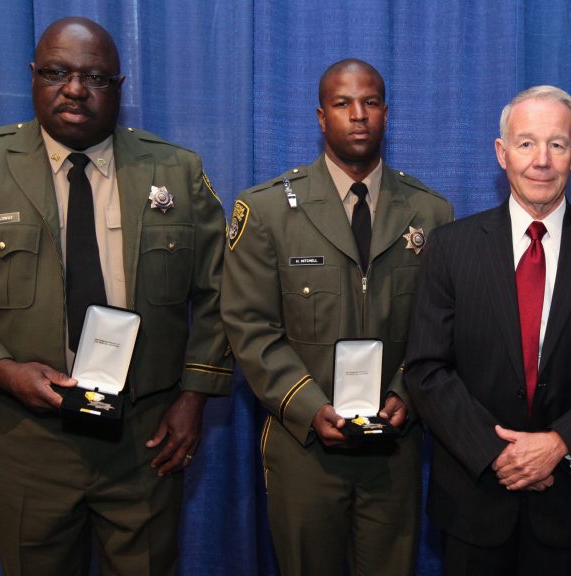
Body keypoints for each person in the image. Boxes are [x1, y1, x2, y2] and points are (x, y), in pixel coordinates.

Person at [0, 17, 232, 575]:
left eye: (95, 76)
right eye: (57, 72)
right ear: (33, 77)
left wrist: (193, 396)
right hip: (28, 440)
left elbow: (225, 292)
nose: (75, 89)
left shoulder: (177, 170)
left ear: (120, 86)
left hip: (146, 438)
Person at [404, 85, 571, 575]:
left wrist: (559, 444)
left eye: (557, 144)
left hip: (569, 505)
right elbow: (427, 369)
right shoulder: (451, 248)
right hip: (473, 503)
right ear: (502, 153)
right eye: (526, 143)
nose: (542, 160)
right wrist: (497, 453)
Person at [220, 58, 453, 576]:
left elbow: (438, 327)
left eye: (370, 102)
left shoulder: (431, 214)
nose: (358, 115)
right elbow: (250, 327)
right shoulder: (267, 212)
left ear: (387, 115)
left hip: (394, 445)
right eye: (342, 104)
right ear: (321, 117)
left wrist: (406, 395)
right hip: (304, 446)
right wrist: (307, 408)